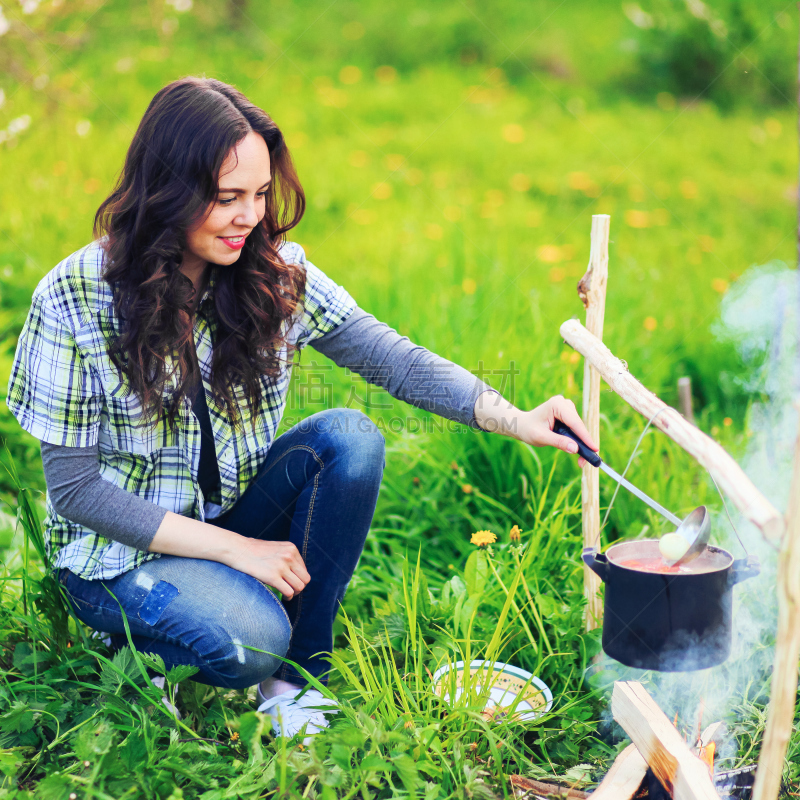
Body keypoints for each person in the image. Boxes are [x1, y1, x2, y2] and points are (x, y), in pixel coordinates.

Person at [5, 76, 597, 741]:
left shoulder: (270, 273)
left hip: (222, 512)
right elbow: (78, 492)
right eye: (226, 198)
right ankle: (135, 653)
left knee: (348, 438)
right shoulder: (75, 297)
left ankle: (293, 683)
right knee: (252, 638)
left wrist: (513, 417)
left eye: (258, 194)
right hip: (115, 558)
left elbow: (392, 359)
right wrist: (238, 552)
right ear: (167, 190)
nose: (249, 217)